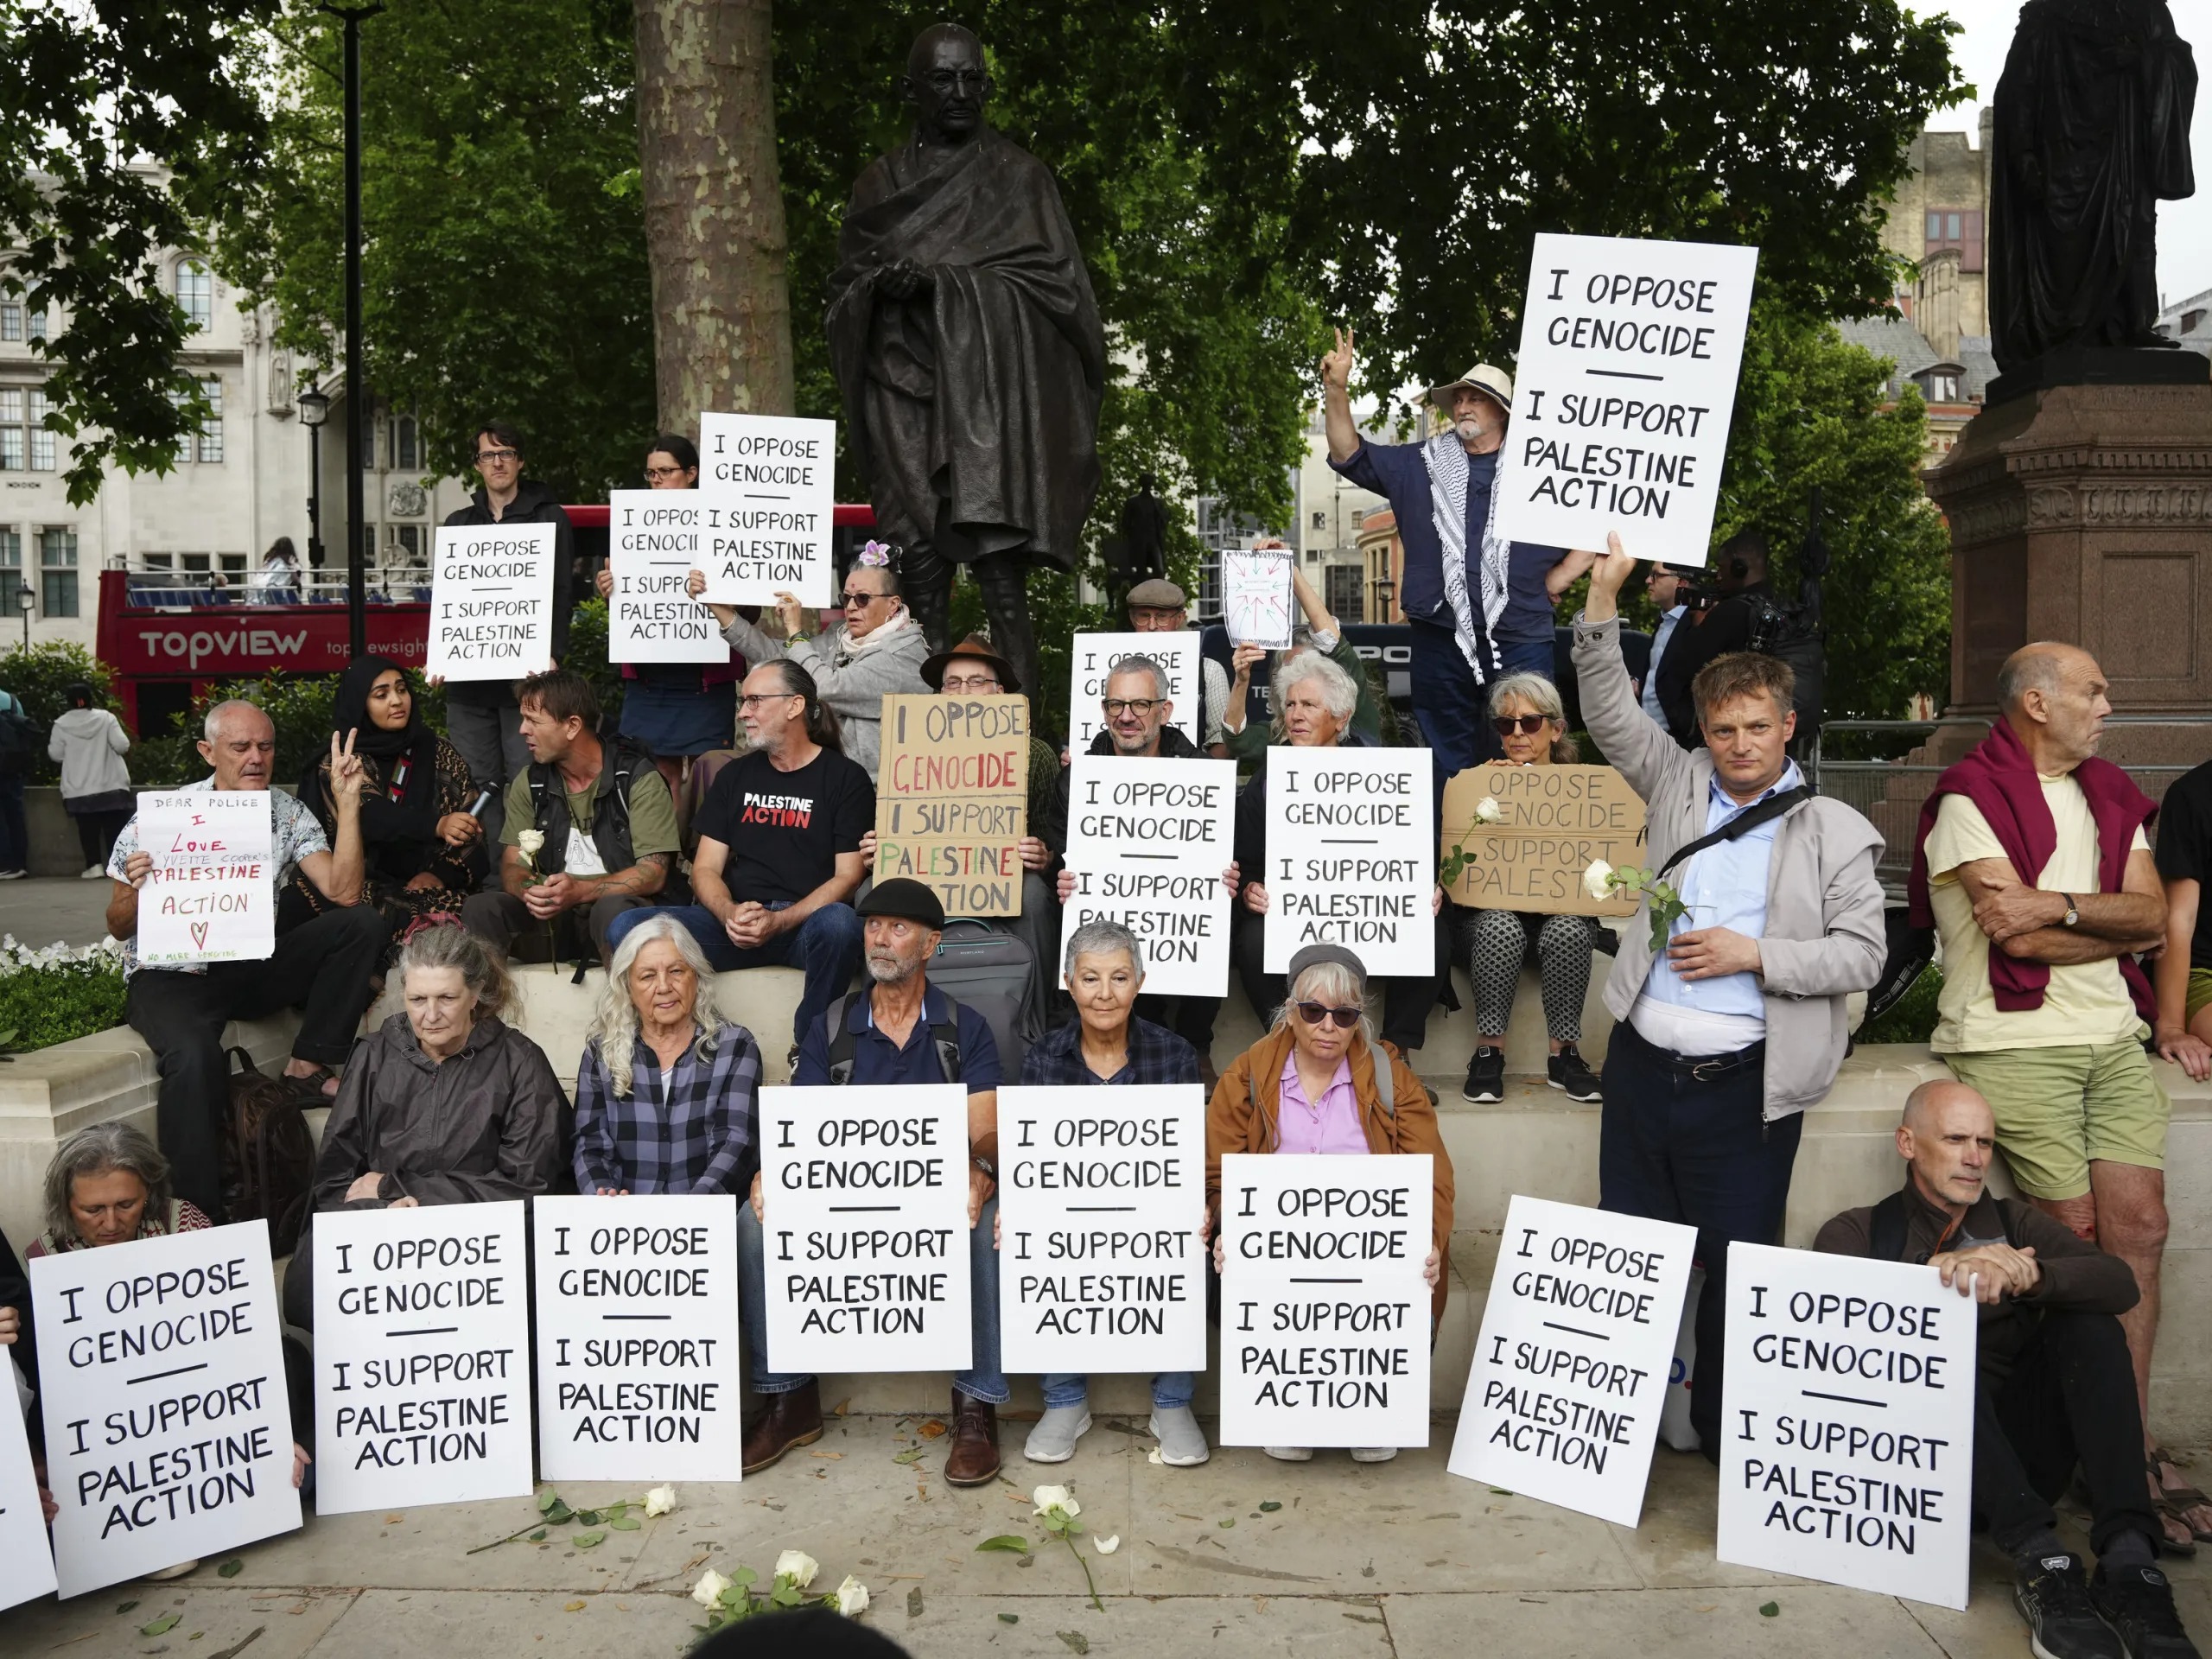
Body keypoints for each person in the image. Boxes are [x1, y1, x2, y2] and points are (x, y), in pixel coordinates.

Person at [1575, 534, 1885, 1459]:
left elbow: (1862, 954)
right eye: (1722, 729)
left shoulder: (1834, 828)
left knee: (1739, 1270)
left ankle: (1722, 1446)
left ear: (1786, 725)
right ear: (1702, 733)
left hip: (1743, 1089)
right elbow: (1607, 714)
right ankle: (1610, 1441)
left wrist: (1758, 954)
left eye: (1756, 727)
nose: (1739, 745)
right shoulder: (1675, 782)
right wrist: (1601, 603)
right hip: (1638, 1071)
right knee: (1632, 1258)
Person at [1905, 641, 2204, 1547]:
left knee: (2141, 1230)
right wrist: (2091, 920)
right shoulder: (1968, 798)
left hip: (2111, 1041)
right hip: (2012, 1041)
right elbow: (2011, 941)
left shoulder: (2113, 796)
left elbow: (2153, 917)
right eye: (2092, 691)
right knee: (2073, 1248)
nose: (2107, 705)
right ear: (2036, 703)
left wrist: (2062, 907)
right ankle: (2084, 1452)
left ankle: (2131, 1445)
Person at [1815, 1081, 2199, 1659]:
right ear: (1908, 1143)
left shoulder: (2016, 1227)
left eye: (1985, 1143)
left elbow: (2119, 1283)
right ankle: (2042, 1564)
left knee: (2090, 1324)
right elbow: (1832, 1332)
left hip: (2022, 1458)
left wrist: (2033, 1276)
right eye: (1955, 1139)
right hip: (1922, 1472)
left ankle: (2128, 1560)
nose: (1975, 1158)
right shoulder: (1857, 1231)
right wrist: (1937, 1273)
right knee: (1932, 1355)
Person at [824, 21, 1107, 702]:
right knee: (918, 575)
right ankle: (921, 751)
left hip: (986, 403)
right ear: (910, 90)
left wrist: (943, 284)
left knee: (1000, 578)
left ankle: (1025, 751)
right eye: (943, 80)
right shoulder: (878, 186)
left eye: (971, 79)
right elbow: (841, 297)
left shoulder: (1020, 179)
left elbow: (1061, 297)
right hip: (899, 392)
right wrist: (878, 289)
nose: (959, 93)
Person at [741, 880, 1007, 1484]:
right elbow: (800, 1127)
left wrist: (981, 1170)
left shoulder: (964, 1027)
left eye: (898, 927)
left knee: (984, 1223)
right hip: (844, 1199)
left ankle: (976, 1404)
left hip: (931, 1198)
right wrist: (771, 1173)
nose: (880, 938)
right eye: (872, 925)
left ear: (931, 944)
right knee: (753, 1225)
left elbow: (986, 1131)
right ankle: (789, 1398)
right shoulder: (832, 1024)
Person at [108, 700, 388, 1220]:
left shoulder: (286, 812)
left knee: (362, 923)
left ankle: (308, 1062)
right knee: (194, 1057)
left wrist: (348, 805)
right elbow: (117, 923)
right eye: (240, 747)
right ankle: (195, 1216)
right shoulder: (162, 819)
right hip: (173, 973)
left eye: (266, 746)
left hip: (248, 964)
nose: (256, 757)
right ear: (207, 751)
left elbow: (345, 892)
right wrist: (137, 889)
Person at [1206, 944, 1453, 1463]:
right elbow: (1217, 1168)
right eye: (1313, 1011)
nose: (1327, 1026)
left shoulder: (1388, 1075)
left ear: (1358, 1019)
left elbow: (1431, 1171)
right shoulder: (1249, 1073)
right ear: (1290, 1014)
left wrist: (1428, 1240)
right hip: (1280, 1251)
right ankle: (1293, 1404)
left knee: (1417, 1266)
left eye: (1343, 1015)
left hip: (1365, 1251)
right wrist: (1229, 1222)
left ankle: (1368, 1407)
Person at [34, 1122, 309, 1578]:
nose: (110, 1223)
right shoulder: (46, 1257)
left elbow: (234, 1343)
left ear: (150, 1193)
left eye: (127, 1204)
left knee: (286, 1359)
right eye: (91, 1210)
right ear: (66, 1205)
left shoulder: (185, 1225)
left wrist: (269, 1429)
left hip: (201, 1397)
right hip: (122, 1419)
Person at [1321, 331, 1588, 775]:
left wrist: (1564, 574)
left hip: (1521, 630)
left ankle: (1528, 844)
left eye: (1476, 399)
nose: (1463, 405)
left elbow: (1602, 518)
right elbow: (1348, 452)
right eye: (1458, 398)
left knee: (1529, 752)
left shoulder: (1545, 466)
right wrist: (1337, 388)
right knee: (1448, 760)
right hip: (1440, 634)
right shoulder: (1419, 463)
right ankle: (1453, 844)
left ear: (1503, 411)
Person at [283, 925, 569, 1330]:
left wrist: (400, 1187)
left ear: (476, 995)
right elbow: (334, 1179)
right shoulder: (374, 1056)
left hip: (482, 1248)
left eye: (447, 998)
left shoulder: (519, 1062)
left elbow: (529, 1188)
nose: (430, 1016)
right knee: (307, 1292)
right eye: (418, 999)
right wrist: (383, 1208)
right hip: (387, 1235)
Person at [1015, 919, 1210, 1468]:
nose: (1105, 994)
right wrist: (1021, 1208)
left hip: (1153, 1214)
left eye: (1119, 978)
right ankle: (1064, 1399)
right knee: (1036, 1240)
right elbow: (1033, 1160)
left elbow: (1185, 1156)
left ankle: (1172, 1400)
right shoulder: (1043, 1058)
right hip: (1069, 1214)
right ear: (1069, 984)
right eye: (1091, 979)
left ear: (1140, 982)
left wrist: (1197, 1207)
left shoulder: (1172, 1054)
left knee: (1190, 1235)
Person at [609, 660, 868, 1052]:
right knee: (626, 925)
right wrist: (730, 913)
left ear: (795, 706)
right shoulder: (735, 776)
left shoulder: (846, 778)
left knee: (841, 924)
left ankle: (813, 1046)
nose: (743, 712)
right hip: (734, 927)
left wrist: (780, 920)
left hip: (805, 926)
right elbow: (705, 869)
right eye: (743, 702)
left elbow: (847, 876)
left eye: (755, 701)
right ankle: (669, 1043)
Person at [1230, 649, 1444, 1065]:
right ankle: (1286, 1048)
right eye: (1290, 704)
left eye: (1309, 705)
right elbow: (1244, 861)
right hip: (1296, 915)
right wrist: (1250, 891)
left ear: (1342, 718)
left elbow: (1419, 854)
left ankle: (1393, 1055)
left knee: (1434, 936)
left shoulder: (1385, 776)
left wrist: (1433, 890)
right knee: (1253, 939)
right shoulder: (1269, 778)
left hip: (1372, 912)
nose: (1295, 714)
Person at [1042, 656, 1230, 1077]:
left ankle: (1196, 1044)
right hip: (1105, 916)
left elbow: (1223, 853)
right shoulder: (1077, 779)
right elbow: (1058, 847)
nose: (1126, 717)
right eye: (1115, 705)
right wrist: (1061, 874)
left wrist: (1229, 876)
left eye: (1140, 705)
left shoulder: (1203, 774)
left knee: (1219, 906)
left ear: (1165, 711)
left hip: (1177, 916)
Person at [461, 669, 677, 969]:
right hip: (553, 921)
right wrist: (530, 890)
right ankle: (483, 1008)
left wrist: (580, 891)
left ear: (572, 725)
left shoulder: (637, 778)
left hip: (615, 918)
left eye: (533, 721)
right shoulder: (531, 782)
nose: (522, 730)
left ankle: (630, 1010)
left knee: (614, 909)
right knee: (482, 907)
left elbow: (654, 873)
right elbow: (512, 864)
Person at [1455, 672, 1603, 1104]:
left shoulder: (1585, 793)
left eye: (1531, 722)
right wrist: (1482, 791)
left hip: (1555, 921)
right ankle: (1489, 1052)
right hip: (1487, 925)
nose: (1517, 732)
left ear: (1556, 730)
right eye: (1506, 724)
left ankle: (1565, 1055)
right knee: (1500, 926)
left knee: (1572, 928)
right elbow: (1458, 867)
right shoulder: (1478, 782)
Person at [904, 632, 1060, 1015]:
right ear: (940, 695)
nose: (963, 691)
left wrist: (1043, 854)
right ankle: (880, 1021)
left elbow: (1048, 833)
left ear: (999, 692)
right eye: (953, 683)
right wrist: (882, 847)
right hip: (929, 868)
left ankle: (1037, 1022)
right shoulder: (909, 744)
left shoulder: (1035, 753)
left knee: (1035, 897)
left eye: (976, 682)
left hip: (1000, 872)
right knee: (870, 893)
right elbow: (897, 814)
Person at [439, 421, 577, 844]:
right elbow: (450, 600)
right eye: (487, 455)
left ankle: (530, 869)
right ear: (476, 465)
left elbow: (562, 593)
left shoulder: (551, 517)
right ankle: (489, 879)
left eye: (506, 453)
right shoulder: (458, 524)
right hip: (468, 686)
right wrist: (442, 654)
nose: (497, 462)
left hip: (526, 681)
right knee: (476, 784)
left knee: (528, 780)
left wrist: (553, 653)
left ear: (520, 461)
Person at [687, 539, 928, 781]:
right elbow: (780, 659)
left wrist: (795, 632)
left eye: (863, 599)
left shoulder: (902, 657)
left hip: (873, 790)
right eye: (846, 599)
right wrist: (715, 605)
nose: (852, 607)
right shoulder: (840, 636)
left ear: (893, 605)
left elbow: (824, 687)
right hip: (826, 775)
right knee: (716, 766)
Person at [289, 656, 486, 947]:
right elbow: (369, 815)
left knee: (469, 917)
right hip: (354, 888)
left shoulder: (438, 751)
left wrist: (439, 874)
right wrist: (437, 824)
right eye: (381, 695)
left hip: (429, 888)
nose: (396, 701)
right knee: (381, 915)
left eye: (402, 689)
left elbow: (471, 822)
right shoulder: (342, 759)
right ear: (360, 704)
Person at [594, 435, 743, 796]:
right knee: (656, 777)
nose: (657, 480)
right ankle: (662, 853)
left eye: (665, 471)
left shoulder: (723, 524)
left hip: (704, 679)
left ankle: (707, 853)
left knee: (711, 774)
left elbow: (748, 607)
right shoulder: (633, 523)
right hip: (650, 679)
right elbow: (632, 602)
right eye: (650, 473)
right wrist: (610, 588)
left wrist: (717, 589)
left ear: (692, 473)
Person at [573, 913, 762, 1196]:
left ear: (695, 977)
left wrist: (691, 1211)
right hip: (627, 1224)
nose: (663, 987)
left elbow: (736, 1141)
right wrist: (603, 1195)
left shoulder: (735, 1046)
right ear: (628, 987)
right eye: (648, 976)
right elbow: (590, 1144)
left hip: (707, 1219)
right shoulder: (602, 1050)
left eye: (676, 971)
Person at [1219, 557, 1392, 762]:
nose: (1299, 676)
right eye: (1291, 703)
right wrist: (1241, 680)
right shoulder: (1281, 737)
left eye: (1309, 704)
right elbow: (1237, 739)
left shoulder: (1358, 729)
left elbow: (1332, 643)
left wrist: (1290, 572)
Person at [1653, 531, 1777, 745]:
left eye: (1721, 568)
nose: (1718, 577)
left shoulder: (1730, 612)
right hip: (1768, 726)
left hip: (1727, 730)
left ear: (1739, 567)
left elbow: (1682, 668)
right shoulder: (1778, 610)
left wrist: (1699, 626)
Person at [1126, 576, 1233, 755]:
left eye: (1161, 617)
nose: (1152, 626)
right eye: (1144, 616)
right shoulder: (1112, 667)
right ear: (1132, 619)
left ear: (1180, 618)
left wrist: (1204, 778)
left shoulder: (1209, 671)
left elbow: (1220, 738)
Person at [48, 681, 132, 877]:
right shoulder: (106, 718)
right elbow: (122, 745)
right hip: (112, 784)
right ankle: (117, 867)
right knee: (114, 829)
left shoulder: (61, 724)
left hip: (79, 789)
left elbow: (56, 754)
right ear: (90, 699)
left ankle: (94, 866)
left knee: (87, 830)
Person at [1637, 563, 1688, 726]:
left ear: (1681, 582)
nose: (1648, 580)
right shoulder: (1664, 621)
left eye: (1656, 575)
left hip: (1677, 738)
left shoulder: (1696, 625)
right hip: (1649, 733)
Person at [0, 680, 31, 879]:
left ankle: (4, 863)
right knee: (15, 815)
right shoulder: (11, 700)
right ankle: (19, 863)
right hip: (12, 765)